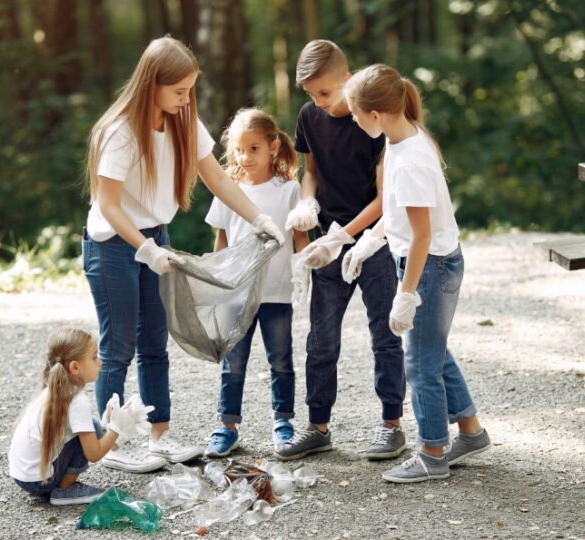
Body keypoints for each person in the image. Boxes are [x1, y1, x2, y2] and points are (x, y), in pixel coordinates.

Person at [82, 37, 285, 473]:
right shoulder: (118, 132)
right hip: (113, 243)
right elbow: (109, 206)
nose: (186, 99)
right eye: (178, 91)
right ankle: (109, 443)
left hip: (155, 235)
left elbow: (217, 178)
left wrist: (258, 218)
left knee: (155, 342)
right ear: (151, 84)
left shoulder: (183, 121)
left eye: (190, 90)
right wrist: (146, 249)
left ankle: (160, 438)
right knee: (118, 346)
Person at [343, 63, 490, 483]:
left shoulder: (409, 159)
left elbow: (422, 236)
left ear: (375, 114)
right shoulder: (400, 140)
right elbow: (398, 213)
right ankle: (471, 431)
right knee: (434, 351)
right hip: (424, 260)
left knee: (420, 364)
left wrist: (406, 294)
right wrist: (368, 242)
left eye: (355, 114)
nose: (353, 120)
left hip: (429, 267)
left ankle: (432, 453)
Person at [276, 40, 407, 461]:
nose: (318, 102)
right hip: (328, 243)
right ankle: (318, 427)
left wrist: (343, 237)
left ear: (347, 80)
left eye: (325, 94)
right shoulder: (310, 116)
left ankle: (391, 424)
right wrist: (307, 202)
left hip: (374, 243)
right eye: (311, 95)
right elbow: (309, 172)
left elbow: (385, 199)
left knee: (384, 334)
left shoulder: (372, 120)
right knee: (321, 338)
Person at [202, 108, 309, 458]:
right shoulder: (227, 190)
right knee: (233, 363)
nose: (244, 157)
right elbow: (221, 241)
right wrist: (217, 281)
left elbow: (301, 239)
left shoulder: (289, 190)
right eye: (238, 149)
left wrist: (304, 270)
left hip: (277, 293)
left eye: (254, 149)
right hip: (236, 295)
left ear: (273, 147)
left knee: (280, 360)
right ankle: (227, 426)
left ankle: (283, 423)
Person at [8, 328, 151, 505]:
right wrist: (116, 428)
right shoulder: (77, 400)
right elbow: (93, 454)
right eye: (94, 357)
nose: (100, 362)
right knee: (88, 431)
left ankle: (60, 484)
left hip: (23, 476)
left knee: (91, 426)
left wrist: (112, 423)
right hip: (39, 482)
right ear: (75, 367)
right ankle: (64, 489)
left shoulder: (55, 390)